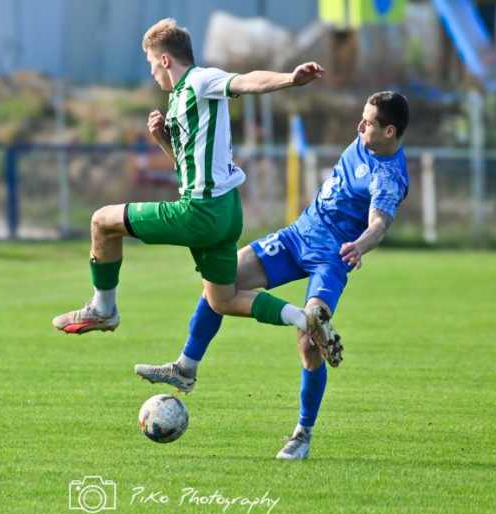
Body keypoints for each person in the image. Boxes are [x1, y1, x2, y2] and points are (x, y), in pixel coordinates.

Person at [136, 91, 411, 461]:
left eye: (368, 122)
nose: (359, 126)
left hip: (330, 259)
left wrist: (360, 245)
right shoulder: (368, 140)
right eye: (361, 117)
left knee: (309, 339)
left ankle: (303, 434)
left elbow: (379, 223)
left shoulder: (389, 176)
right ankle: (186, 368)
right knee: (222, 278)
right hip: (297, 236)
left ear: (390, 131)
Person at [52, 18, 339, 355]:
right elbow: (186, 165)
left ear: (164, 60)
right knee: (223, 299)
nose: (151, 74)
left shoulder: (200, 80)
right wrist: (162, 138)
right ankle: (305, 320)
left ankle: (103, 309)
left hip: (200, 211)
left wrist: (291, 79)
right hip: (227, 212)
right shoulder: (179, 102)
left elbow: (245, 81)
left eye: (150, 64)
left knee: (102, 221)